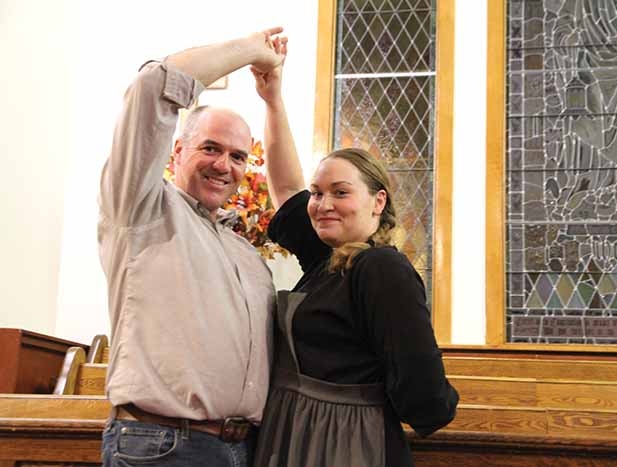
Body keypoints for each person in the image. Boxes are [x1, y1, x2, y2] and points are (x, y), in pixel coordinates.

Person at [250, 39, 459, 467]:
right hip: (294, 426)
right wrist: (272, 100)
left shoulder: (381, 267)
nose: (323, 204)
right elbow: (287, 190)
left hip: (344, 441)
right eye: (318, 193)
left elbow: (426, 394)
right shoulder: (329, 258)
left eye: (340, 193)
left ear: (377, 202)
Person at [98, 29, 286, 467]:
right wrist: (251, 52)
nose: (225, 165)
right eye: (210, 148)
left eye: (238, 156)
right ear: (177, 150)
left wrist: (273, 100)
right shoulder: (141, 207)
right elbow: (151, 88)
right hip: (163, 444)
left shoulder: (245, 252)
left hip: (242, 448)